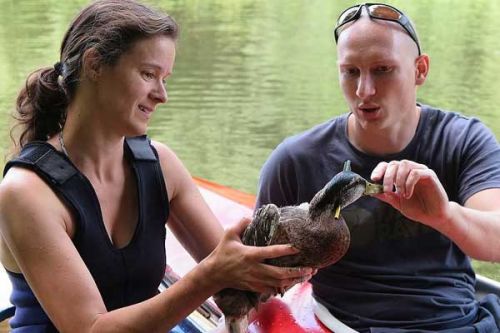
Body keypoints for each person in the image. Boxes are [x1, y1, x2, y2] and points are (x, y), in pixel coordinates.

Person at [0, 1, 315, 332]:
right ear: (94, 64)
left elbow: (236, 269)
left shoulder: (160, 165)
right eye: (148, 74)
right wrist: (209, 276)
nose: (162, 95)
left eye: (165, 78)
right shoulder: (26, 193)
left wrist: (288, 262)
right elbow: (90, 328)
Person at [256, 3, 500, 333]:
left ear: (420, 70)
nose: (364, 91)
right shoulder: (296, 159)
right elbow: (252, 267)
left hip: (461, 323)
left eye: (382, 69)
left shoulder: (464, 139)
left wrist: (444, 216)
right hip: (342, 324)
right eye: (351, 71)